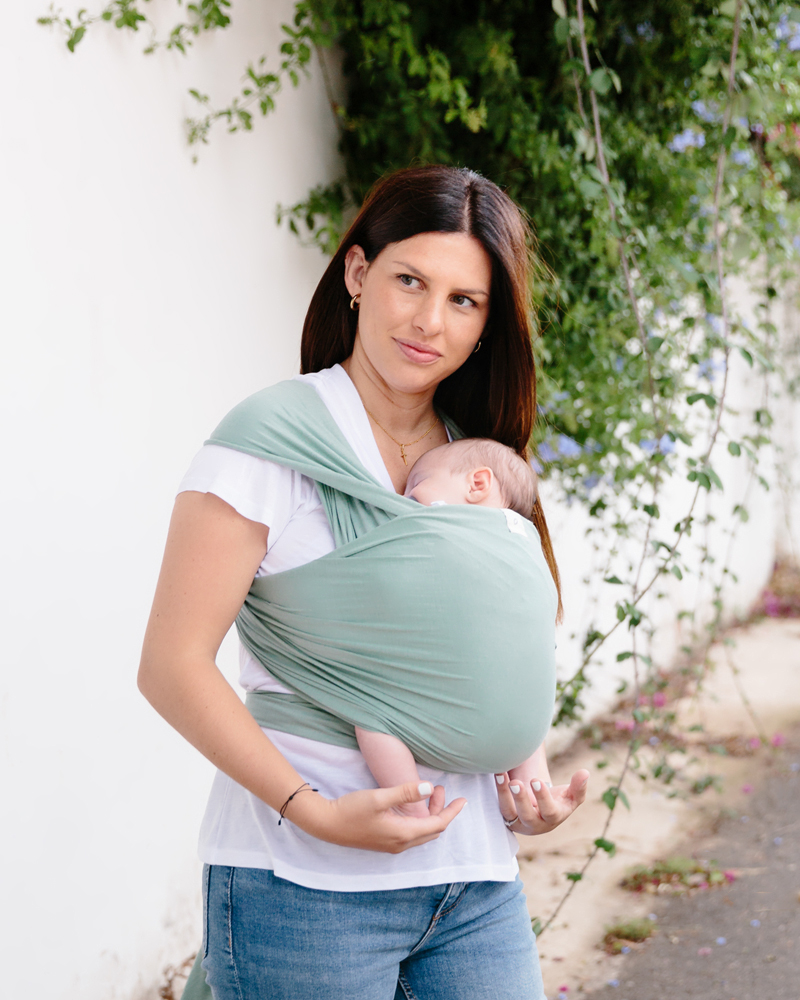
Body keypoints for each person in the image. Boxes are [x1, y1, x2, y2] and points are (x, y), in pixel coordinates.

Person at [138, 164, 589, 1000]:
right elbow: (171, 665)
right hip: (300, 884)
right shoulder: (269, 440)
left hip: (475, 880)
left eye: (464, 300)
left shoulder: (480, 461)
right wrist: (312, 809)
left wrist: (523, 772)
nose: (429, 321)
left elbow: (498, 647)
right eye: (409, 281)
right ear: (357, 274)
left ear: (489, 322)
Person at [356, 437, 543, 818]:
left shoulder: (440, 524)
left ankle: (411, 803)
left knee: (368, 711)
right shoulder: (525, 544)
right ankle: (535, 793)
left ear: (477, 484)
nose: (404, 496)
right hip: (522, 737)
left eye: (416, 483)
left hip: (444, 719)